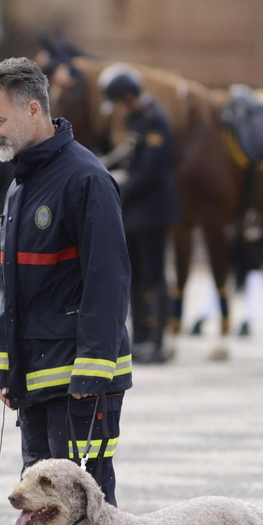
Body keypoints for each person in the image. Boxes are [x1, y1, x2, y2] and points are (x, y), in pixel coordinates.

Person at [0, 58, 131, 525]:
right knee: (43, 502)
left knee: (87, 502)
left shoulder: (85, 178)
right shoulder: (23, 181)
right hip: (37, 374)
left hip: (81, 379)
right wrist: (4, 367)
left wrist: (93, 370)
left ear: (33, 109)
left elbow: (107, 283)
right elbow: (14, 289)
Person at [100, 64, 180, 364]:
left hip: (153, 209)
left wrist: (120, 185)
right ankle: (141, 337)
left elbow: (151, 170)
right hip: (135, 210)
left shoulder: (155, 119)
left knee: (155, 275)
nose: (119, 108)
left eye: (120, 100)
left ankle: (159, 340)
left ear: (130, 96)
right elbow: (130, 152)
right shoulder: (137, 119)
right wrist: (103, 164)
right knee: (134, 276)